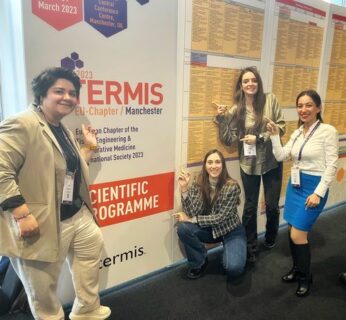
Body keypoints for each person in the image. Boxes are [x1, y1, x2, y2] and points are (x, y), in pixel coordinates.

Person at [0, 67, 111, 319]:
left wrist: (88, 151)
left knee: (91, 253)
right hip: (40, 221)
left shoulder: (61, 127)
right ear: (42, 94)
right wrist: (21, 214)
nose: (67, 97)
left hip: (75, 215)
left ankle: (87, 309)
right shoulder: (22, 123)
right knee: (43, 290)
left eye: (72, 93)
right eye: (59, 91)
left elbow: (62, 168)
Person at [266, 89, 338, 297]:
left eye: (308, 105)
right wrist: (274, 136)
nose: (303, 110)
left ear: (318, 108)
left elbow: (332, 166)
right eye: (300, 106)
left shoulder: (327, 131)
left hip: (314, 187)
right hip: (295, 186)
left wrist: (318, 193)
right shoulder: (297, 132)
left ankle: (306, 277)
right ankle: (297, 269)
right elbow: (280, 156)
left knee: (298, 234)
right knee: (291, 230)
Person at [215, 66, 285, 263]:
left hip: (271, 161)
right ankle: (250, 246)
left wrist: (260, 138)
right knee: (250, 207)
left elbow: (281, 127)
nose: (250, 84)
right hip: (249, 164)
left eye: (253, 80)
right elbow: (228, 140)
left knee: (272, 206)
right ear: (241, 85)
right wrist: (222, 119)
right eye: (246, 81)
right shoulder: (236, 109)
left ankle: (271, 238)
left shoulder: (270, 99)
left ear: (258, 82)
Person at [173, 149, 247, 281]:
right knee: (183, 228)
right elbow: (192, 211)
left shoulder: (232, 186)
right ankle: (199, 261)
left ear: (223, 165)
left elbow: (220, 218)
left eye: (218, 162)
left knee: (234, 269)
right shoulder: (198, 182)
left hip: (230, 231)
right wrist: (184, 189)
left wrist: (192, 219)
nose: (214, 166)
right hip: (210, 230)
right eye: (210, 162)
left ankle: (234, 248)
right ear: (205, 165)